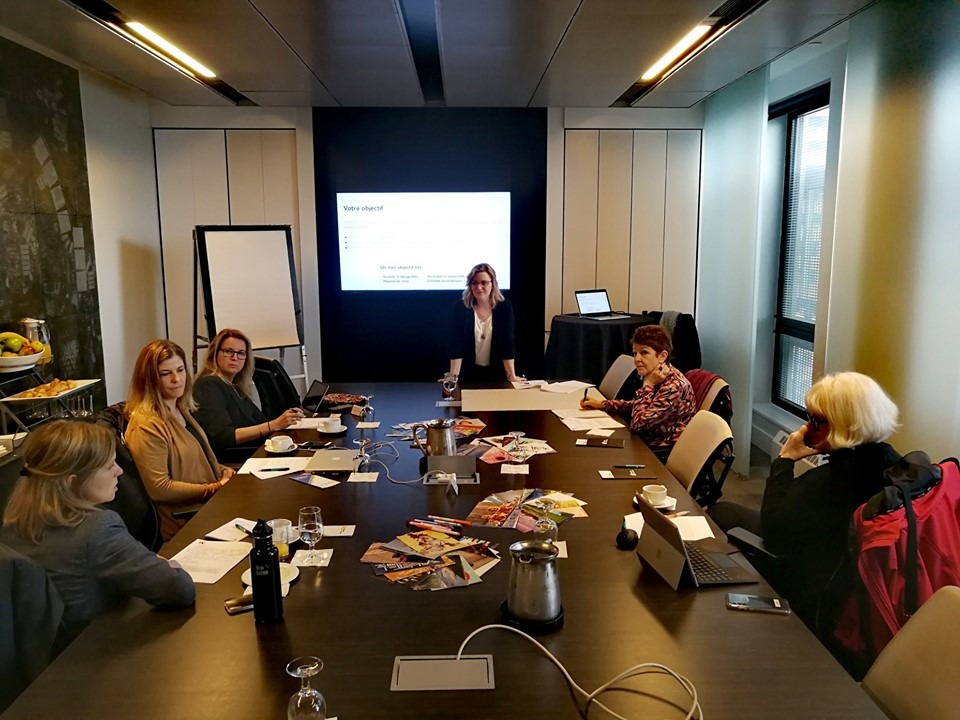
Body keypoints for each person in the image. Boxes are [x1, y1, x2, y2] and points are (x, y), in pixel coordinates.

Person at [708, 371, 901, 632]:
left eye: (815, 421)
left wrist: (784, 461)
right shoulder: (893, 462)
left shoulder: (827, 483)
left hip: (808, 577)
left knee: (721, 513)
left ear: (844, 424)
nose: (806, 428)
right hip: (844, 567)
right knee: (727, 510)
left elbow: (773, 531)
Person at [0, 420, 195, 639]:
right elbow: (179, 589)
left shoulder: (11, 528)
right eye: (109, 466)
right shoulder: (96, 530)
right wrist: (162, 563)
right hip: (97, 652)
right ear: (72, 481)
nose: (119, 471)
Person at [126, 339, 234, 541]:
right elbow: (160, 488)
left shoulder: (179, 408)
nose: (177, 379)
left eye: (180, 370)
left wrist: (222, 470)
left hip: (210, 506)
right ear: (149, 379)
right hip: (186, 523)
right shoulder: (146, 425)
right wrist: (215, 488)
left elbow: (194, 460)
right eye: (165, 373)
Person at [581, 324, 695, 461]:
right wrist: (604, 404)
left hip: (658, 451)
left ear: (662, 356)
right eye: (635, 353)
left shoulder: (673, 387)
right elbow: (642, 406)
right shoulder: (660, 374)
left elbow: (638, 424)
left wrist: (648, 385)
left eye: (644, 353)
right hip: (646, 440)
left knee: (594, 455)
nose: (637, 359)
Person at [193, 328, 303, 461]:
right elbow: (224, 437)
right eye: (228, 351)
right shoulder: (208, 385)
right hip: (235, 460)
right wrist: (273, 425)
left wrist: (284, 419)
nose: (235, 358)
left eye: (241, 353)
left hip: (255, 452)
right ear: (214, 354)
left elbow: (259, 421)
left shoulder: (235, 386)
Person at [448, 263, 524, 383]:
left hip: (497, 374)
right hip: (468, 374)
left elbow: (507, 344)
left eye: (484, 283)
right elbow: (457, 345)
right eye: (474, 283)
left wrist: (511, 376)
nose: (479, 287)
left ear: (493, 284)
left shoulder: (504, 307)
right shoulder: (461, 307)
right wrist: (453, 378)